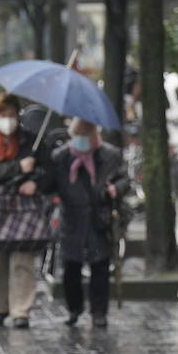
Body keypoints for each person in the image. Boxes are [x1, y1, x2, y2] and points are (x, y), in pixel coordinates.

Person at [0, 93, 52, 329]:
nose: (7, 120)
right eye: (2, 115)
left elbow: (49, 170)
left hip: (25, 210)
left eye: (11, 115)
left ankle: (21, 310)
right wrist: (17, 167)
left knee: (23, 260)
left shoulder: (32, 141)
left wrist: (36, 182)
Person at [50, 118, 128, 327]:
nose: (82, 141)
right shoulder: (62, 157)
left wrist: (115, 190)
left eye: (87, 136)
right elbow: (52, 183)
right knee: (71, 269)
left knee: (100, 267)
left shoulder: (109, 155)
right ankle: (74, 309)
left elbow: (123, 179)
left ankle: (99, 312)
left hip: (98, 218)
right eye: (79, 136)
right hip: (72, 219)